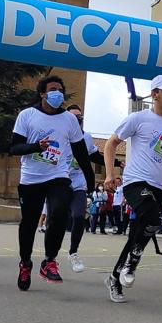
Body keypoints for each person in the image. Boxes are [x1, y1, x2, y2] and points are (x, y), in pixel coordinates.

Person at [103, 75, 162, 303]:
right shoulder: (138, 118)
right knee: (153, 218)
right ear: (154, 94)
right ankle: (133, 260)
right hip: (136, 182)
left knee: (138, 231)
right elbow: (111, 144)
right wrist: (110, 174)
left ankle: (115, 277)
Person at [9, 75, 95, 291]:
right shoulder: (27, 115)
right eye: (53, 89)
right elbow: (14, 148)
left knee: (58, 212)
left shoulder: (69, 119)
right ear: (42, 93)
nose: (58, 93)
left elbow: (81, 152)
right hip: (31, 177)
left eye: (61, 89)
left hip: (58, 176)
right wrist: (36, 147)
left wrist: (90, 179)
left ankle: (49, 260)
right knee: (28, 223)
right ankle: (25, 262)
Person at [63, 104, 105, 274]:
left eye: (79, 118)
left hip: (78, 185)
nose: (77, 120)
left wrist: (116, 163)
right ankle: (49, 258)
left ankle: (73, 253)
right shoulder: (59, 135)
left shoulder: (86, 138)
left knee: (79, 216)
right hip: (59, 183)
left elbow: (94, 156)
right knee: (56, 221)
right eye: (73, 117)